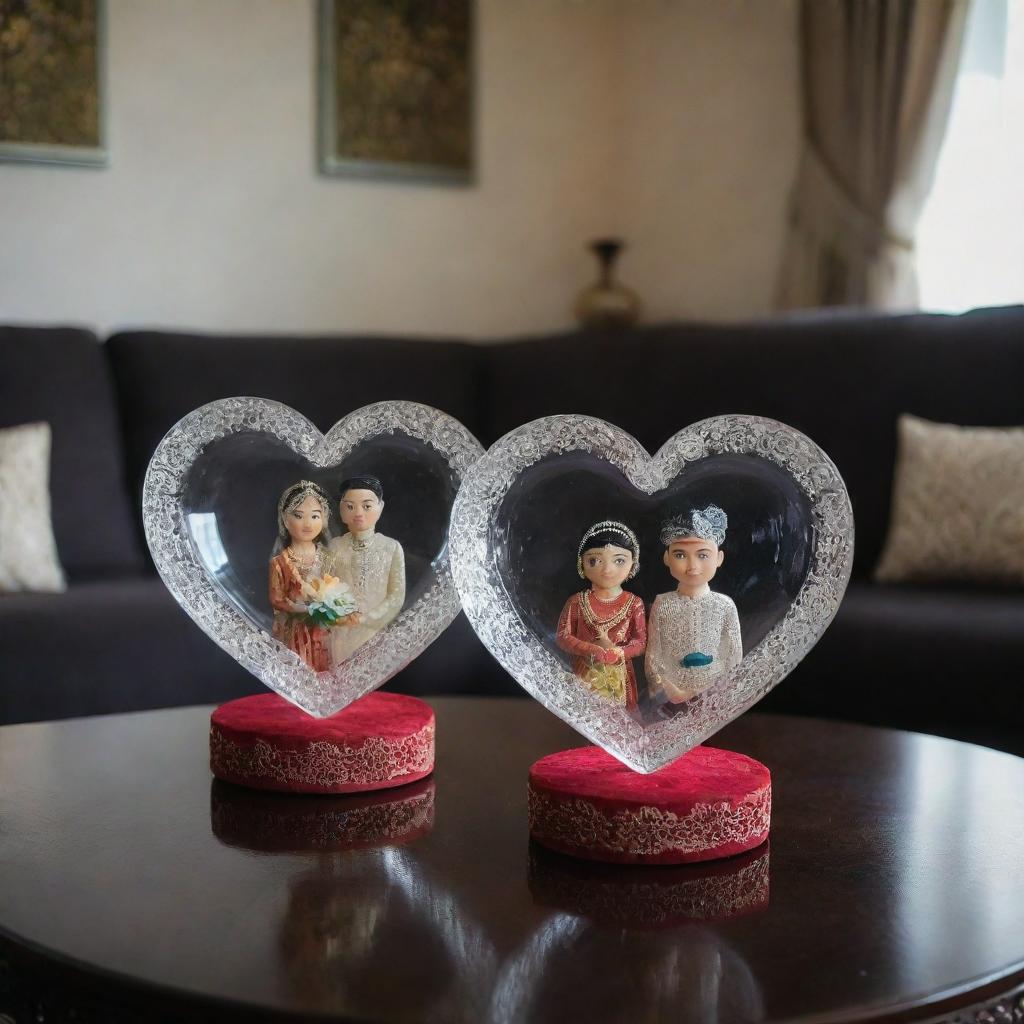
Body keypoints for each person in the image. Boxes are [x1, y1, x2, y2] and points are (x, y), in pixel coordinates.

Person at [645, 505, 742, 704]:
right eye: (680, 555)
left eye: (703, 555)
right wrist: (668, 688)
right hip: (671, 696)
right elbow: (654, 654)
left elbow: (733, 656)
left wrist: (712, 688)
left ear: (719, 558)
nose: (692, 566)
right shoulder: (663, 603)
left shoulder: (724, 605)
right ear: (667, 558)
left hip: (713, 695)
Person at [555, 520, 647, 709]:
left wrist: (620, 652)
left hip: (620, 677)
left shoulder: (634, 603)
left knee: (622, 720)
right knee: (588, 717)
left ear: (633, 564)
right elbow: (563, 637)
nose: (607, 570)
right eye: (594, 561)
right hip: (585, 673)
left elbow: (641, 643)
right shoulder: (577, 602)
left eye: (619, 560)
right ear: (582, 564)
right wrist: (591, 650)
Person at [327, 475, 406, 666]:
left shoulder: (391, 547)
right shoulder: (334, 546)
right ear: (342, 510)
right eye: (350, 506)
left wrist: (367, 619)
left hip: (375, 631)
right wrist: (338, 614)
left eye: (367, 506)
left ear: (380, 507)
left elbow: (396, 595)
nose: (358, 513)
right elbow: (324, 585)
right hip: (341, 631)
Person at [268, 480, 335, 671]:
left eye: (315, 516)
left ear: (324, 519)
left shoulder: (330, 558)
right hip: (294, 634)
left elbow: (338, 589)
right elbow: (277, 600)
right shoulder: (279, 562)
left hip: (325, 633)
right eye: (298, 516)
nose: (308, 524)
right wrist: (307, 609)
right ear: (285, 519)